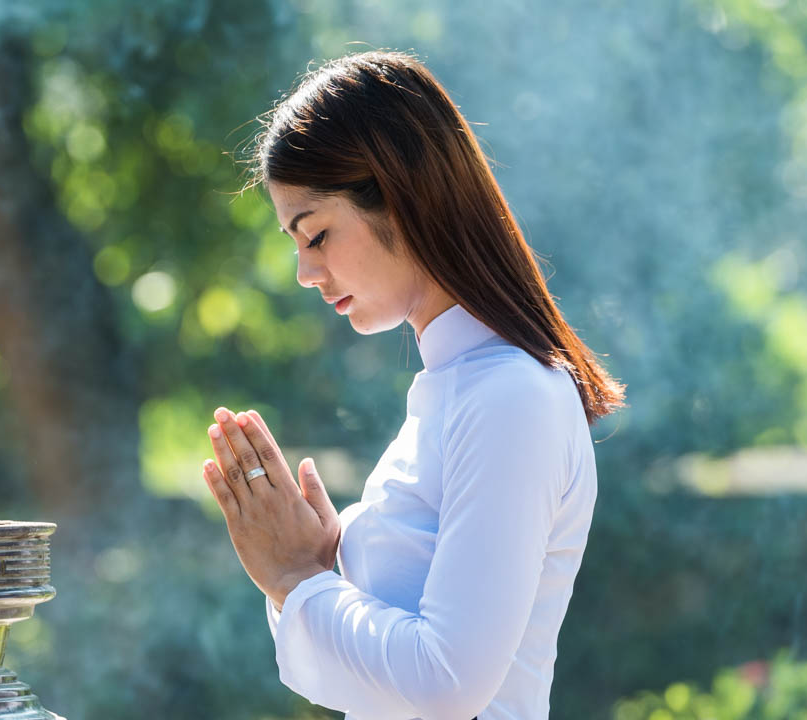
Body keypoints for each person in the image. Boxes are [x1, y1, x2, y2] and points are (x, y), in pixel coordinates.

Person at [202, 51, 626, 720]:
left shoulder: (510, 396)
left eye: (315, 234)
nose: (304, 272)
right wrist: (313, 573)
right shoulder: (454, 389)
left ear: (401, 194)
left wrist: (297, 579)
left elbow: (446, 682)